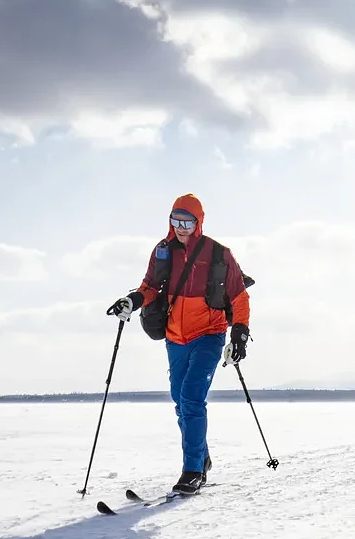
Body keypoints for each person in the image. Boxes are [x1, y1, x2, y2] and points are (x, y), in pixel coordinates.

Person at [105, 193, 251, 495]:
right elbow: (150, 287)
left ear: (199, 222)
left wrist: (239, 333)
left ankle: (193, 471)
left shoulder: (219, 253)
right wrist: (131, 301)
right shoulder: (163, 251)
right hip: (175, 337)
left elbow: (239, 297)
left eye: (188, 222)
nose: (181, 228)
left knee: (191, 396)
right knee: (180, 400)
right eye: (176, 221)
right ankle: (202, 457)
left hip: (209, 334)